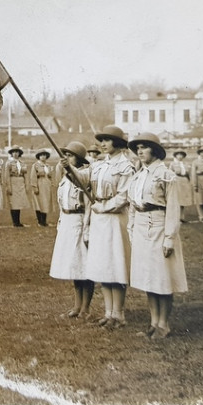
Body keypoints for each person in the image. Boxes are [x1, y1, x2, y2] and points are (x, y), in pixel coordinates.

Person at [126, 133, 187, 340]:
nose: (140, 151)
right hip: (142, 228)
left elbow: (172, 208)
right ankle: (153, 322)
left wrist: (169, 237)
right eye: (138, 148)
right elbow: (133, 204)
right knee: (148, 278)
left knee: (162, 277)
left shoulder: (166, 174)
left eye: (144, 147)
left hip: (160, 226)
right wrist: (131, 228)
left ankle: (164, 324)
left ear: (155, 150)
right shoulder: (138, 175)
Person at [85, 125, 134, 330]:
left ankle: (119, 314)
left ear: (118, 142)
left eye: (107, 140)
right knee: (103, 265)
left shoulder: (125, 166)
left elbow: (124, 196)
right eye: (101, 140)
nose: (102, 144)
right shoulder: (98, 165)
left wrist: (103, 207)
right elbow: (85, 182)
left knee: (116, 264)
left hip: (114, 218)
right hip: (99, 219)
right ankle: (108, 312)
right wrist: (69, 171)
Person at [49, 141, 94, 320]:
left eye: (71, 155)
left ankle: (86, 308)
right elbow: (62, 203)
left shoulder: (85, 176)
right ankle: (76, 305)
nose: (66, 158)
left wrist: (87, 228)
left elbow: (89, 204)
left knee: (84, 266)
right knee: (73, 266)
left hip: (80, 221)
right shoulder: (65, 178)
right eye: (65, 155)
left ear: (80, 158)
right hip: (67, 221)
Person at [4, 146, 30, 227]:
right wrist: (8, 186)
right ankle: (15, 222)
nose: (15, 154)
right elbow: (6, 176)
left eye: (17, 152)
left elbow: (26, 175)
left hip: (21, 182)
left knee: (19, 203)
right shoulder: (9, 163)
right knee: (13, 203)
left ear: (19, 153)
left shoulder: (22, 163)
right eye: (13, 152)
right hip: (13, 182)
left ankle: (18, 221)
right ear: (11, 154)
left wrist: (26, 185)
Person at [30, 148, 54, 227]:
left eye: (44, 155)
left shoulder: (48, 166)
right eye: (41, 155)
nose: (43, 157)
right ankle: (40, 221)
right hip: (39, 185)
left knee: (45, 203)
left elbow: (50, 176)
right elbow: (33, 177)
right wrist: (35, 187)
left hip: (47, 186)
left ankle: (44, 221)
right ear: (38, 156)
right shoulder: (35, 165)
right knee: (39, 203)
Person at [168, 150, 193, 223]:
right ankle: (176, 217)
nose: (180, 156)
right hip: (177, 180)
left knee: (183, 200)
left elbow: (189, 174)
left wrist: (189, 181)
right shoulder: (172, 164)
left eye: (181, 155)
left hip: (184, 180)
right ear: (176, 156)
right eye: (178, 155)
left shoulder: (186, 164)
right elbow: (170, 174)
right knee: (177, 199)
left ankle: (182, 217)